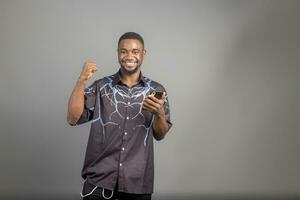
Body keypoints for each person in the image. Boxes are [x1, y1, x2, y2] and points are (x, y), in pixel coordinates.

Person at [67, 32, 172, 200]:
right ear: (118, 54)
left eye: (135, 51)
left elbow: (160, 134)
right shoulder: (101, 86)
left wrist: (159, 113)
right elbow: (72, 118)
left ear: (143, 54)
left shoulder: (156, 90)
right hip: (99, 180)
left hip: (137, 182)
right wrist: (81, 80)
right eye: (124, 51)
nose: (129, 56)